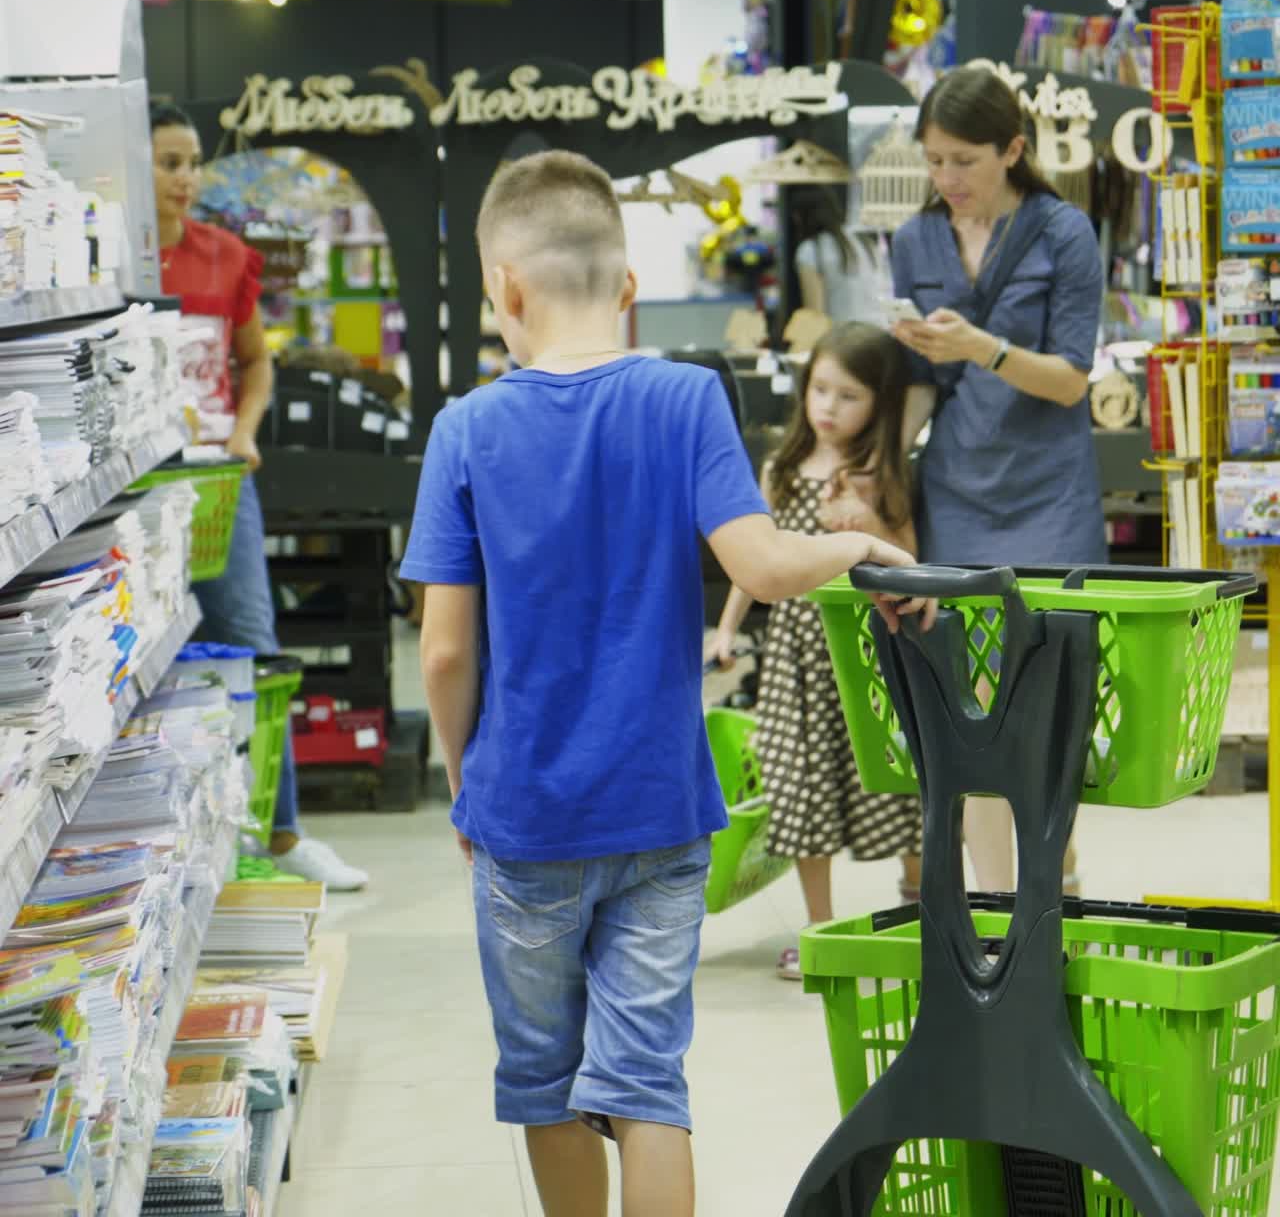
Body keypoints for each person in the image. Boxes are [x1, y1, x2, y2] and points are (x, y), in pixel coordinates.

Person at [401, 150, 932, 1217]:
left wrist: (465, 783)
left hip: (525, 816)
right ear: (629, 286)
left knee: (546, 1085)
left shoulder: (465, 429)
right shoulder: (687, 396)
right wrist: (858, 548)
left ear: (505, 289)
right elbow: (761, 565)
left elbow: (445, 652)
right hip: (660, 808)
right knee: (646, 1083)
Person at [888, 66, 1105, 895]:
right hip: (957, 487)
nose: (946, 178)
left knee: (1049, 694)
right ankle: (994, 901)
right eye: (933, 160)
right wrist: (885, 475)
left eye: (964, 161)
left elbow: (1071, 381)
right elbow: (919, 383)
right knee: (972, 702)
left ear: (1013, 150)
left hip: (1050, 491)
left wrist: (983, 348)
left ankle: (1051, 875)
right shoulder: (914, 241)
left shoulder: (1064, 234)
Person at [151, 105, 368, 891]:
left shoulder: (225, 255)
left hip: (218, 481)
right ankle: (168, 842)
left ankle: (281, 835)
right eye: (170, 163)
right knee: (146, 657)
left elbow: (256, 362)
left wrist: (245, 431)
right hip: (136, 492)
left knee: (250, 641)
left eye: (192, 162)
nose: (186, 178)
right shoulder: (112, 266)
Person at [710, 324, 923, 980]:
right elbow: (755, 558)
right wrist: (727, 628)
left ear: (880, 404)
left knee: (899, 784)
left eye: (849, 396)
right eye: (820, 389)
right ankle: (821, 930)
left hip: (865, 655)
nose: (829, 407)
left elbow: (909, 558)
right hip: (796, 657)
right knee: (801, 787)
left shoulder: (882, 473)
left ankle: (923, 914)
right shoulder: (780, 469)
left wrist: (865, 518)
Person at [791, 184, 884, 326]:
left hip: (843, 334)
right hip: (879, 331)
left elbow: (815, 314)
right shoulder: (864, 242)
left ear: (801, 216)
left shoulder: (810, 250)